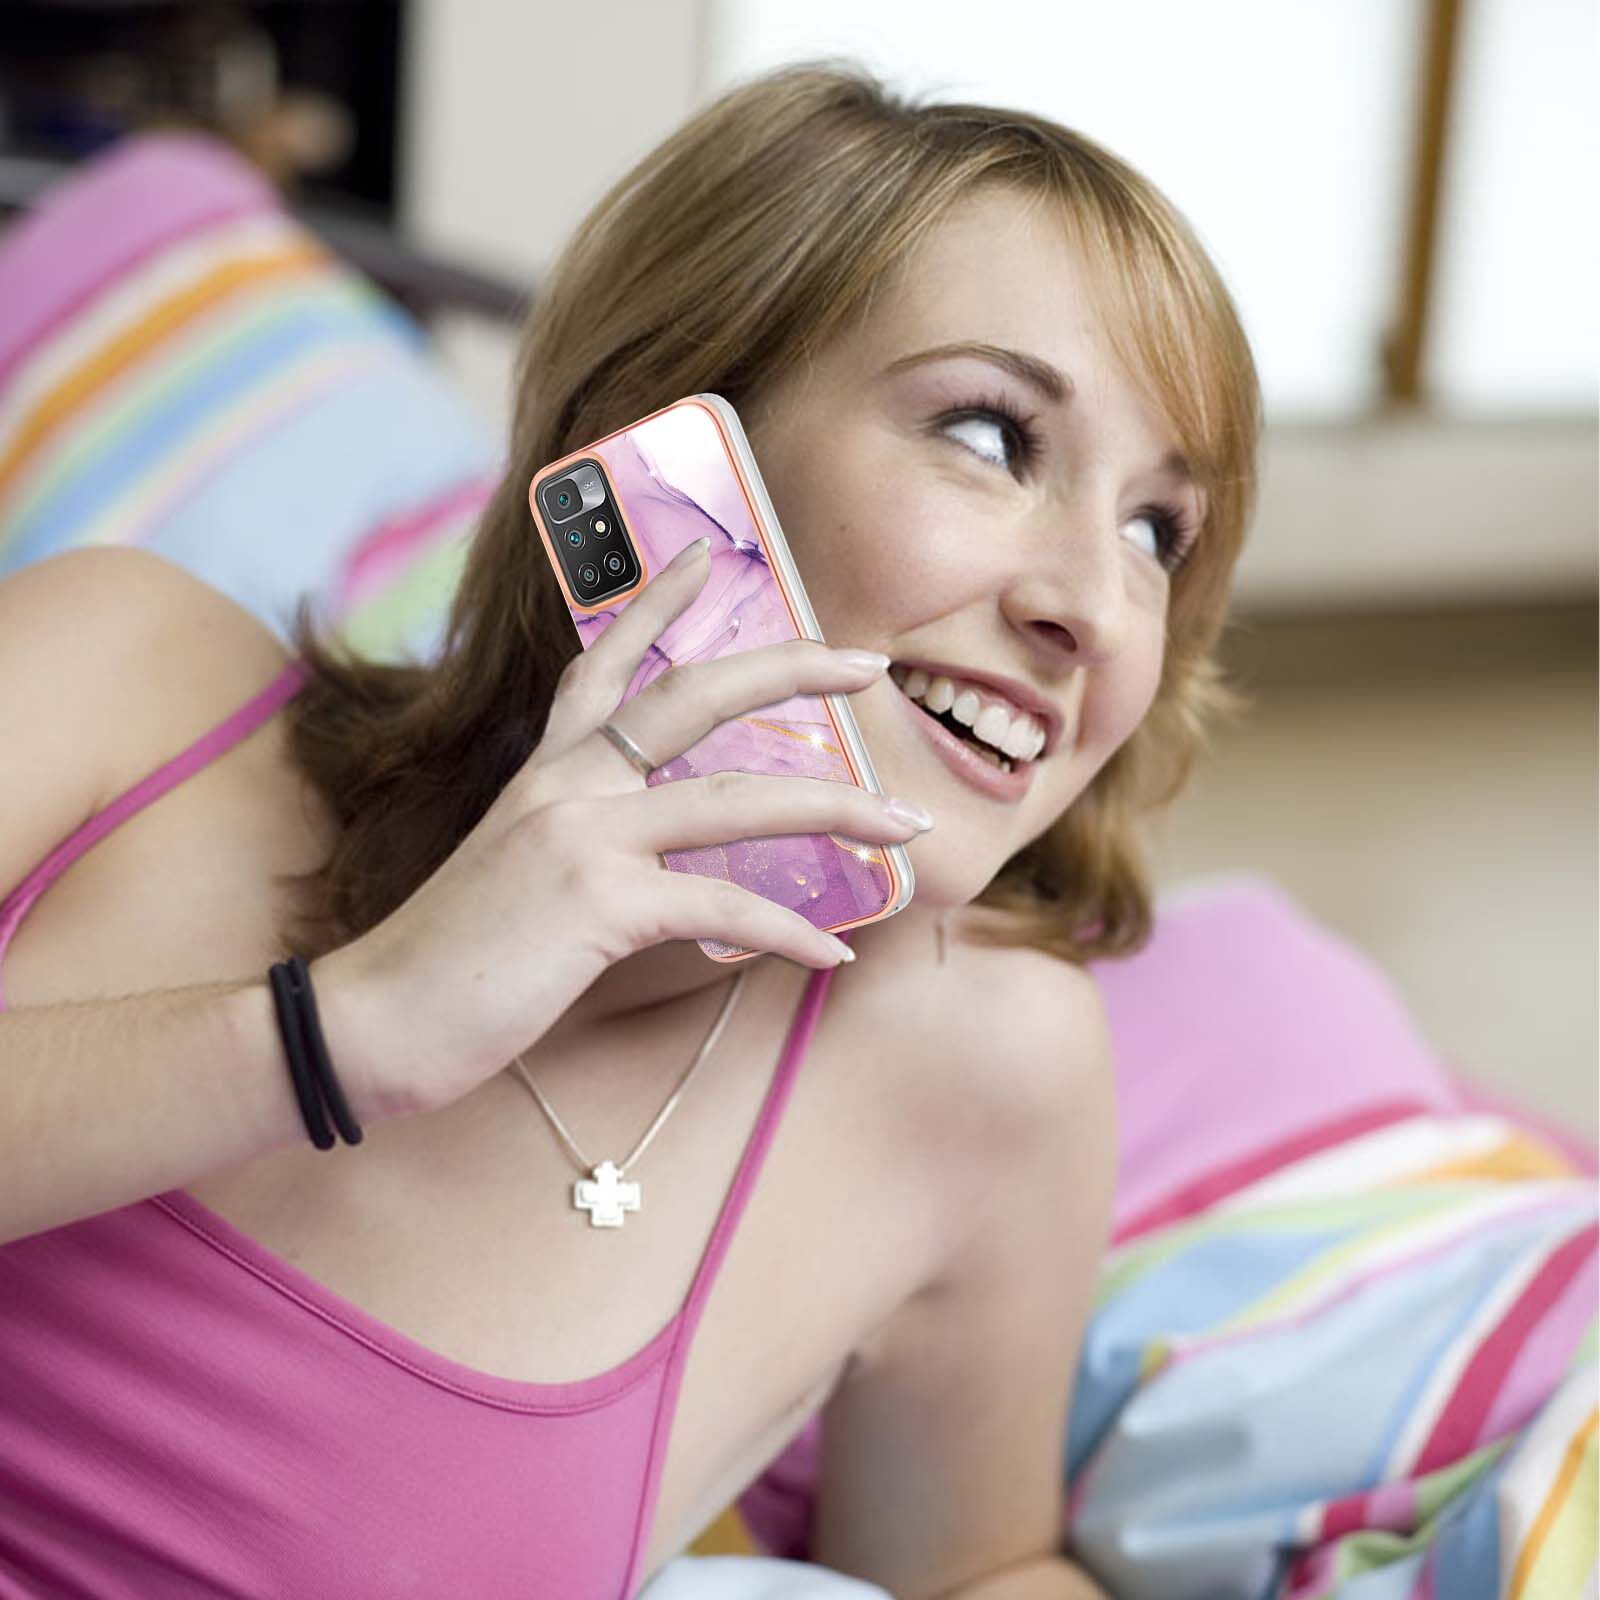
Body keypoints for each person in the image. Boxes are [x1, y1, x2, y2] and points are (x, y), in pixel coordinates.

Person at [0, 61, 1259, 1600]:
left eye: (1158, 531)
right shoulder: (121, 674)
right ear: (669, 449)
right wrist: (348, 1032)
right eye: (992, 437)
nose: (1098, 610)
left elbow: (974, 1574)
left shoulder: (978, 1071)